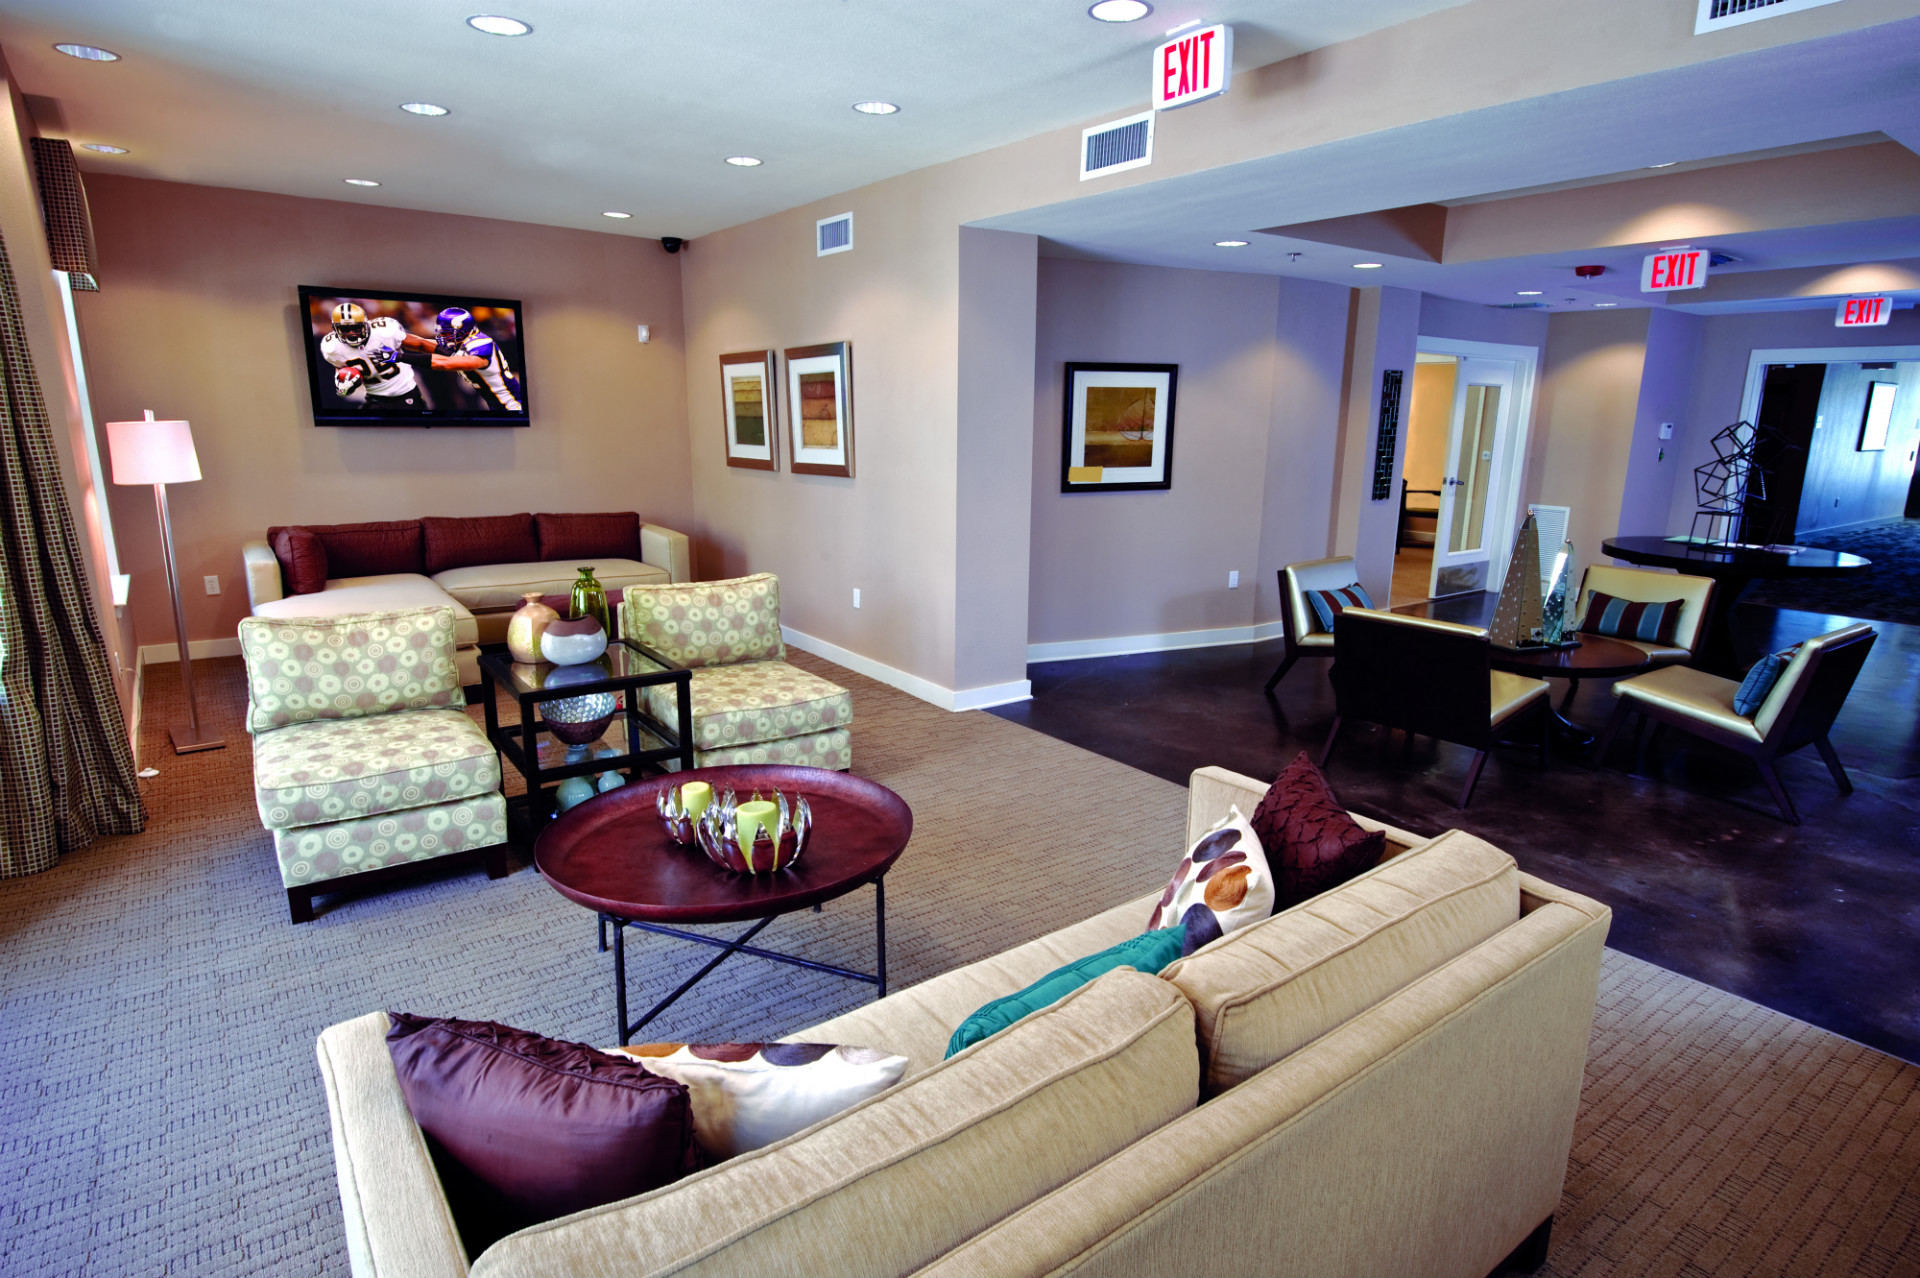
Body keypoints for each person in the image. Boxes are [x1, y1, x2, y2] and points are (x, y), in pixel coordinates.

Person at [397, 306, 524, 412]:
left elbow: (446, 363)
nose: (442, 336)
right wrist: (392, 336)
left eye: (446, 332)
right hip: (498, 406)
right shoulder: (461, 342)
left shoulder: (481, 345)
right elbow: (422, 343)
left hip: (512, 407)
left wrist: (401, 357)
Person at [317, 302, 427, 407]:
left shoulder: (384, 332)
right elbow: (340, 371)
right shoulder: (332, 346)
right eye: (345, 329)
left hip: (400, 384)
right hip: (369, 389)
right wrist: (343, 382)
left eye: (356, 327)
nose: (352, 333)